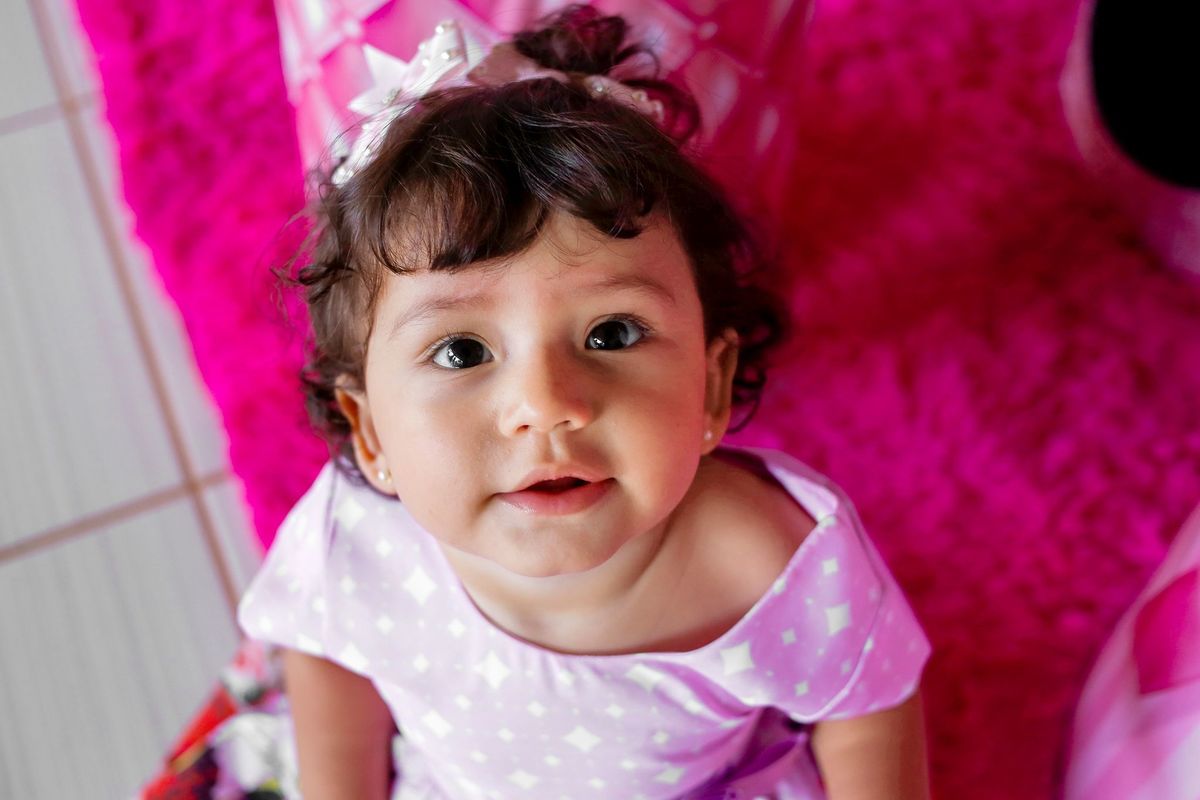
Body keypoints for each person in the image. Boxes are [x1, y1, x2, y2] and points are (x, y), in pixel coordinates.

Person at [237, 5, 932, 798]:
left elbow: (868, 704)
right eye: (462, 352)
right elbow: (327, 651)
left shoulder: (767, 563)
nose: (547, 404)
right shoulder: (355, 540)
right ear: (370, 435)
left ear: (710, 385)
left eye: (611, 334)